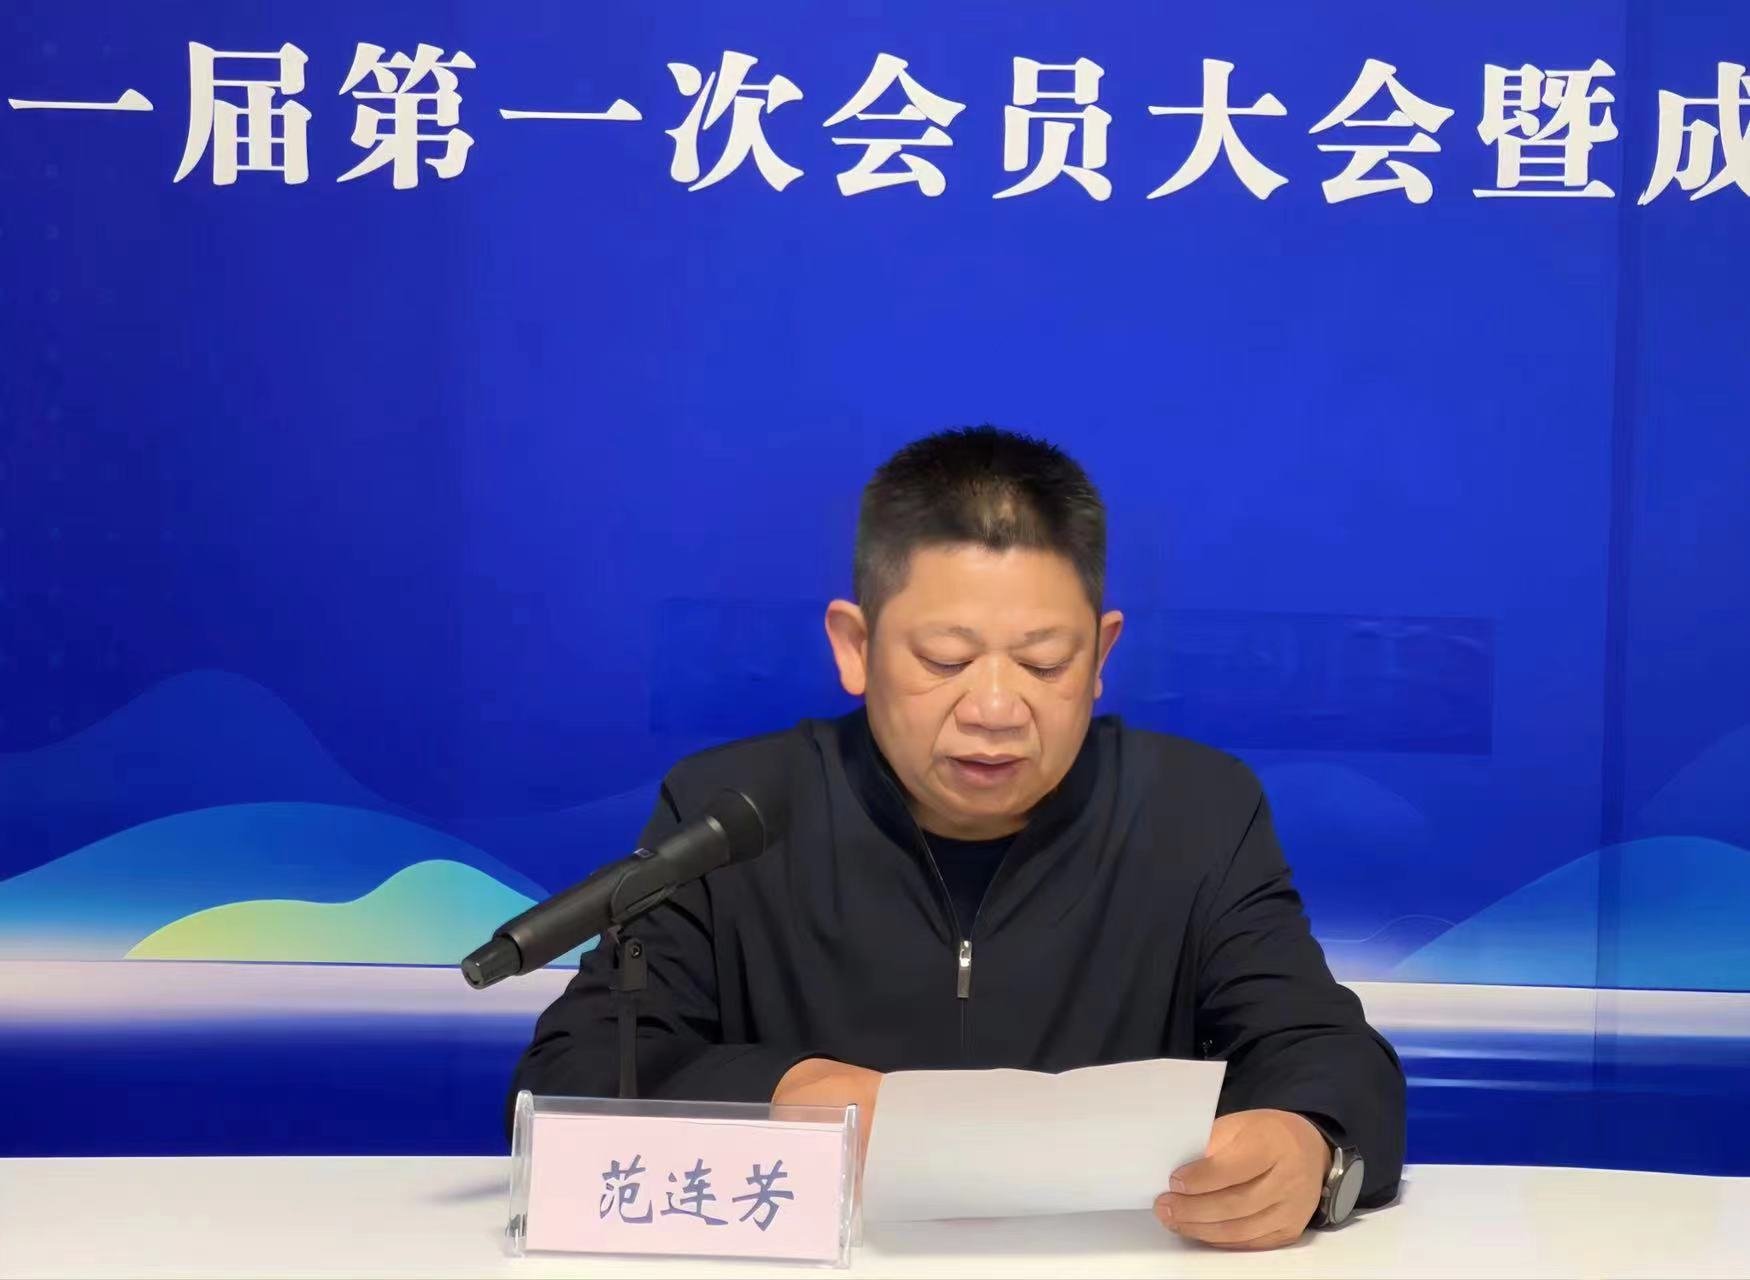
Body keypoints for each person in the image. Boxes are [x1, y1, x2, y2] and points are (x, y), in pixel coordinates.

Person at [510, 426, 1405, 1250]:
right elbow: (570, 1074)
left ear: (1101, 655)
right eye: (945, 660)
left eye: (1045, 663)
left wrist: (1310, 1146)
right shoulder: (732, 811)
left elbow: (1329, 1056)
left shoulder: (1195, 811)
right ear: (854, 646)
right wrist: (787, 1091)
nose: (995, 709)